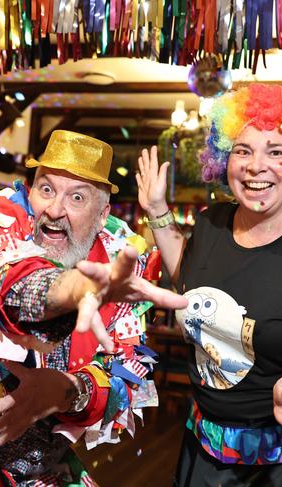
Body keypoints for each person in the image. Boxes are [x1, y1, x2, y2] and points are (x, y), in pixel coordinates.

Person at [0, 130, 187, 486]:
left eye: (76, 197)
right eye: (46, 189)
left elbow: (123, 376)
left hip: (41, 469)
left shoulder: (118, 263)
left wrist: (67, 390)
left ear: (102, 215)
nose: (54, 210)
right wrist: (73, 290)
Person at [136, 83, 282, 486]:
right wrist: (157, 212)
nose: (256, 166)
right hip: (199, 449)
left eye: (276, 152)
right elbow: (190, 278)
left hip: (270, 468)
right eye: (243, 150)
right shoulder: (211, 222)